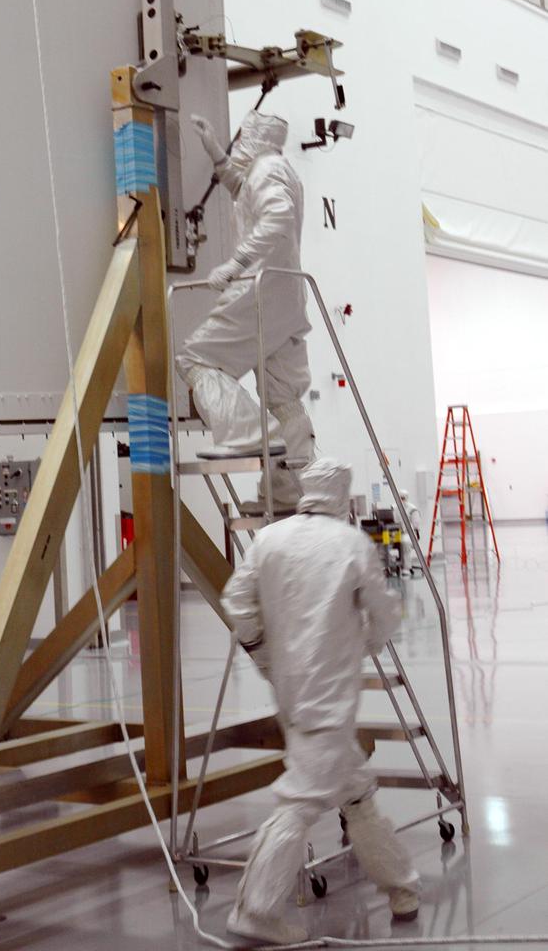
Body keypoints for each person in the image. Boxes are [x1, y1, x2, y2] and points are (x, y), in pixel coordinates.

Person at [221, 458, 420, 944]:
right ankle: (257, 911)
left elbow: (236, 603)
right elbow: (385, 615)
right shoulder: (350, 543)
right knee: (301, 802)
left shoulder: (269, 539)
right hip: (330, 697)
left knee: (357, 792)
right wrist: (365, 643)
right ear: (342, 495)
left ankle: (402, 887)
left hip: (289, 690)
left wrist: (264, 653)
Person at [176, 111, 314, 510]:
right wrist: (218, 157)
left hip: (259, 292)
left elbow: (277, 218)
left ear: (255, 138)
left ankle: (250, 432)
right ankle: (292, 490)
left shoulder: (268, 172)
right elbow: (245, 190)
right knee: (283, 395)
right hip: (286, 297)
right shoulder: (274, 170)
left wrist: (236, 265)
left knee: (195, 358)